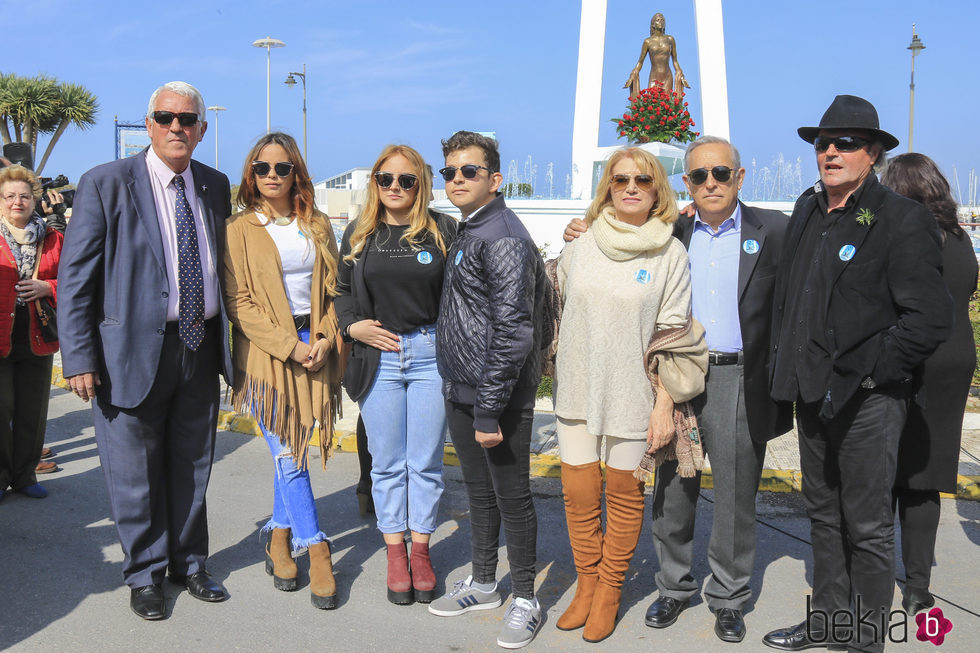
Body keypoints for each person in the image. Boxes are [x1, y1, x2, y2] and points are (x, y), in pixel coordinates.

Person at [562, 136, 792, 642]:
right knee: (671, 490)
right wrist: (576, 229)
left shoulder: (773, 229)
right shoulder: (674, 229)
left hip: (734, 374)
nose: (710, 183)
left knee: (733, 493)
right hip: (671, 375)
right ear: (686, 183)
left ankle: (729, 598)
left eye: (721, 174)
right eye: (699, 176)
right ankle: (672, 587)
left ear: (739, 175)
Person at [763, 95, 952, 653]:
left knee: (867, 526)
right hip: (810, 393)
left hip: (867, 399)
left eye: (845, 143)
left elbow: (928, 319)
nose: (830, 152)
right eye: (823, 143)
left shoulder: (902, 217)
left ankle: (867, 637)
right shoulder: (806, 209)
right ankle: (828, 622)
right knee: (822, 516)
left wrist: (871, 374)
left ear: (872, 154)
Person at [58, 81, 234, 621]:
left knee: (192, 464)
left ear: (202, 130)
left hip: (198, 349)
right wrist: (80, 357)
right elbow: (75, 280)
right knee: (134, 473)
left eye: (187, 119)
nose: (176, 126)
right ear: (149, 125)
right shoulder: (105, 184)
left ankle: (189, 562)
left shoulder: (215, 185)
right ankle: (145, 573)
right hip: (126, 356)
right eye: (165, 117)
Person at [551, 146, 707, 643]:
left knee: (622, 494)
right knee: (577, 494)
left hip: (633, 391)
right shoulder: (580, 245)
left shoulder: (670, 253)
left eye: (642, 179)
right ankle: (587, 581)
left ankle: (610, 589)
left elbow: (672, 334)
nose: (631, 187)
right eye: (620, 180)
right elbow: (557, 306)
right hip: (577, 385)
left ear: (658, 187)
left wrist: (664, 403)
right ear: (608, 188)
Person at [427, 131, 551, 650]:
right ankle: (482, 582)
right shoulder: (470, 228)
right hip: (464, 386)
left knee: (512, 495)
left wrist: (488, 409)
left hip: (494, 395)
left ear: (494, 180)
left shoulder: (501, 235)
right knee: (478, 493)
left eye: (469, 172)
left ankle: (525, 596)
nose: (457, 179)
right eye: (450, 172)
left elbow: (514, 329)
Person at [222, 132, 344, 610]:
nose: (272, 176)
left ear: (297, 172)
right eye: (262, 168)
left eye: (282, 168)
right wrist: (289, 347)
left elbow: (335, 290)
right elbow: (239, 303)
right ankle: (316, 548)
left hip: (316, 347)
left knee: (293, 445)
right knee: (291, 453)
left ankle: (276, 537)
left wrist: (326, 338)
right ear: (250, 174)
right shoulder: (238, 227)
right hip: (266, 354)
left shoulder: (315, 224)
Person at [336, 144, 456, 606]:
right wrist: (352, 325)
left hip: (430, 354)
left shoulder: (445, 231)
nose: (395, 188)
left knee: (423, 462)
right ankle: (394, 554)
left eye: (406, 180)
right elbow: (341, 292)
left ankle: (421, 550)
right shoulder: (360, 233)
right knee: (386, 464)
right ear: (375, 184)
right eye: (386, 179)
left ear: (421, 184)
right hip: (378, 359)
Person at [881, 153, 978, 617]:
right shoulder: (961, 238)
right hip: (957, 358)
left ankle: (874, 574)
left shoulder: (910, 236)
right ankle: (918, 586)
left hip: (916, 359)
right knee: (927, 476)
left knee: (884, 470)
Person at [0, 164, 62, 501]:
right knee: (1, 411)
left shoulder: (53, 239)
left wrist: (46, 285)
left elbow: (77, 282)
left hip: (38, 337)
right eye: (9, 196)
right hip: (1, 339)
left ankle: (24, 476)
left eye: (24, 196)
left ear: (34, 200)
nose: (16, 202)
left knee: (32, 412)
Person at [624, 12, 691, 97]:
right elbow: (640, 62)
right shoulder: (648, 41)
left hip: (667, 76)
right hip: (654, 77)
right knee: (652, 103)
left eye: (662, 20)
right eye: (658, 20)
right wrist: (633, 74)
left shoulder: (670, 39)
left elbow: (675, 61)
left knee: (666, 104)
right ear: (653, 24)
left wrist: (680, 73)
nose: (661, 22)